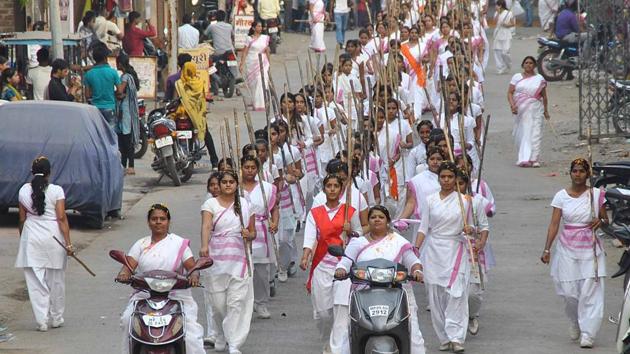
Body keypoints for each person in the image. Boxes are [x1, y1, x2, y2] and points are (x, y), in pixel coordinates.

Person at [415, 162, 486, 353]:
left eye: (450, 177)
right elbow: (423, 227)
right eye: (443, 177)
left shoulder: (465, 201)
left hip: (456, 249)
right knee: (436, 295)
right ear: (438, 179)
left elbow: (473, 228)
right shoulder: (430, 200)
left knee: (457, 294)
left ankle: (456, 337)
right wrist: (415, 249)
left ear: (455, 179)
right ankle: (444, 337)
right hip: (434, 250)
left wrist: (471, 229)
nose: (446, 180)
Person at [116, 204, 206, 354]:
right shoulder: (141, 244)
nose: (158, 222)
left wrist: (194, 276)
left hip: (176, 295)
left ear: (168, 222)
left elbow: (192, 268)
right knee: (128, 320)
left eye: (162, 219)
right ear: (148, 222)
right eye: (154, 219)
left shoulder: (178, 244)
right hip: (145, 295)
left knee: (190, 332)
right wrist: (123, 274)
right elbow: (128, 266)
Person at [336, 206, 426, 354]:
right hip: (365, 294)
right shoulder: (357, 243)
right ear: (368, 221)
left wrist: (417, 271)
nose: (377, 219)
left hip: (396, 292)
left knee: (414, 335)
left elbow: (413, 261)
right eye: (373, 217)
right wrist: (341, 270)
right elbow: (345, 262)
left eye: (381, 217)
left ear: (388, 221)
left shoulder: (398, 241)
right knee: (349, 334)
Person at [541, 158, 607, 349]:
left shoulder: (595, 195)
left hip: (590, 247)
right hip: (567, 247)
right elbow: (554, 224)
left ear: (588, 174)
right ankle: (575, 321)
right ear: (570, 173)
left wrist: (600, 222)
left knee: (590, 290)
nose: (578, 174)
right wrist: (547, 249)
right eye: (575, 171)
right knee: (570, 293)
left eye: (582, 171)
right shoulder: (561, 196)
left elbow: (605, 219)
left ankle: (588, 333)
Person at [300, 174, 361, 354]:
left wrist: (352, 231)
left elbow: (360, 235)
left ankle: (337, 348)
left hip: (344, 265)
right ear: (324, 189)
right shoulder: (315, 213)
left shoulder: (350, 212)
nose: (332, 189)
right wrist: (305, 257)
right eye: (329, 186)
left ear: (341, 189)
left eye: (336, 186)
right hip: (322, 266)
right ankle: (327, 340)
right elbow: (310, 238)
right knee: (323, 313)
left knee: (341, 308)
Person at [200, 170, 256, 354]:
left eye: (231, 182)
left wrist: (249, 235)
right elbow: (206, 226)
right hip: (216, 259)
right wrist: (204, 246)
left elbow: (252, 232)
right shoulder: (210, 204)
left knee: (236, 302)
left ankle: (234, 344)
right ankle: (222, 333)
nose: (228, 185)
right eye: (224, 182)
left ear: (236, 184)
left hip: (240, 260)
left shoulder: (245, 205)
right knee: (218, 304)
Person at [15, 157, 73, 332]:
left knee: (36, 281)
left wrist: (23, 238)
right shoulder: (57, 191)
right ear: (49, 172)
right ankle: (56, 317)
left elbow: (22, 219)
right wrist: (68, 244)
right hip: (54, 237)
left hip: (31, 237)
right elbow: (61, 218)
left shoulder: (24, 190)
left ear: (32, 172)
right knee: (56, 280)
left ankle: (41, 320)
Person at [240, 155, 279, 319]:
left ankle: (261, 303)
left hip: (261, 232)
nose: (249, 170)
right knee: (243, 272)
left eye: (253, 167)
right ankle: (244, 305)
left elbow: (274, 208)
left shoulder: (267, 188)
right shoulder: (236, 189)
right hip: (241, 234)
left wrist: (274, 222)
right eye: (246, 167)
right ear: (241, 168)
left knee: (261, 272)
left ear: (258, 169)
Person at [175, 62, 220, 168]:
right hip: (198, 116)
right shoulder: (199, 82)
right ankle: (214, 162)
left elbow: (175, 98)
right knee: (206, 134)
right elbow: (203, 98)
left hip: (183, 114)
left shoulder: (179, 83)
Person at [507, 56, 550, 168]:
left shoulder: (539, 79)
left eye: (531, 63)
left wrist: (546, 110)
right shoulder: (516, 77)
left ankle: (534, 158)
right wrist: (512, 106)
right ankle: (524, 158)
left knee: (536, 132)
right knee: (524, 132)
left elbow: (544, 96)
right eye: (526, 63)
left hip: (536, 108)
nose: (528, 65)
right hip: (521, 110)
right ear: (523, 65)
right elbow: (510, 93)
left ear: (534, 65)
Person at [84, 44, 124, 130]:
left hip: (95, 109)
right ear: (105, 58)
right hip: (110, 107)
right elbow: (120, 91)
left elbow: (87, 95)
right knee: (111, 135)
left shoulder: (88, 74)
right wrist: (110, 93)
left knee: (97, 134)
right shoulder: (113, 72)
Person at [115, 54, 140, 175]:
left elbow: (120, 91)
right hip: (127, 111)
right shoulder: (131, 76)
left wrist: (114, 92)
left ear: (120, 64)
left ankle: (130, 166)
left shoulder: (125, 77)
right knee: (124, 139)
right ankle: (124, 165)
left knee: (126, 139)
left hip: (125, 112)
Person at [239, 20, 270, 111]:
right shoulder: (249, 39)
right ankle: (255, 101)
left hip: (263, 62)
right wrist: (241, 64)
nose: (260, 28)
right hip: (251, 62)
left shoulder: (265, 38)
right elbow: (245, 52)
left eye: (261, 26)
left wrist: (269, 63)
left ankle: (261, 104)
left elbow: (267, 51)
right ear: (253, 28)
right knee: (254, 83)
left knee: (261, 81)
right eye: (258, 26)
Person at [205, 10, 240, 81]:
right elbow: (233, 37)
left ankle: (214, 76)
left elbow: (204, 36)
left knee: (207, 61)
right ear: (225, 18)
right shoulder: (229, 26)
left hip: (218, 52)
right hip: (230, 51)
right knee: (233, 60)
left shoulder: (212, 26)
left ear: (215, 17)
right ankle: (235, 77)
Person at [492, 0, 515, 75]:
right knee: (497, 51)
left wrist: (506, 25)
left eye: (496, 5)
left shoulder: (509, 13)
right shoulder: (496, 13)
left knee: (505, 52)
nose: (495, 6)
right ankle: (500, 67)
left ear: (500, 5)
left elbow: (513, 23)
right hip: (498, 33)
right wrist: (498, 13)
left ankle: (508, 64)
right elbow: (494, 22)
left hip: (506, 33)